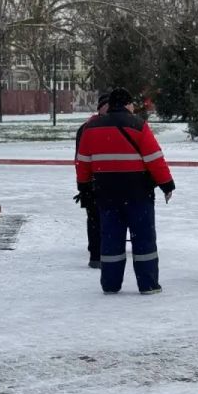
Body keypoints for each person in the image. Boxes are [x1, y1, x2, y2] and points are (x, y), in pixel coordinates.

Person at [75, 87, 175, 294]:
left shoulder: (91, 128)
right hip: (138, 192)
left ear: (110, 105)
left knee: (111, 238)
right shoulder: (138, 126)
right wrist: (167, 184)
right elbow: (154, 159)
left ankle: (110, 284)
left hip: (106, 192)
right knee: (144, 239)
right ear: (128, 104)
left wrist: (84, 187)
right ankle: (148, 284)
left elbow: (83, 162)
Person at [74, 93, 110, 268]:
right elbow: (81, 159)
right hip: (94, 181)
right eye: (106, 105)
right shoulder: (87, 128)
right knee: (95, 217)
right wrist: (83, 184)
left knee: (105, 217)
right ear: (100, 108)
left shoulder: (111, 125)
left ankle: (105, 251)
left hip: (107, 179)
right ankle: (96, 254)